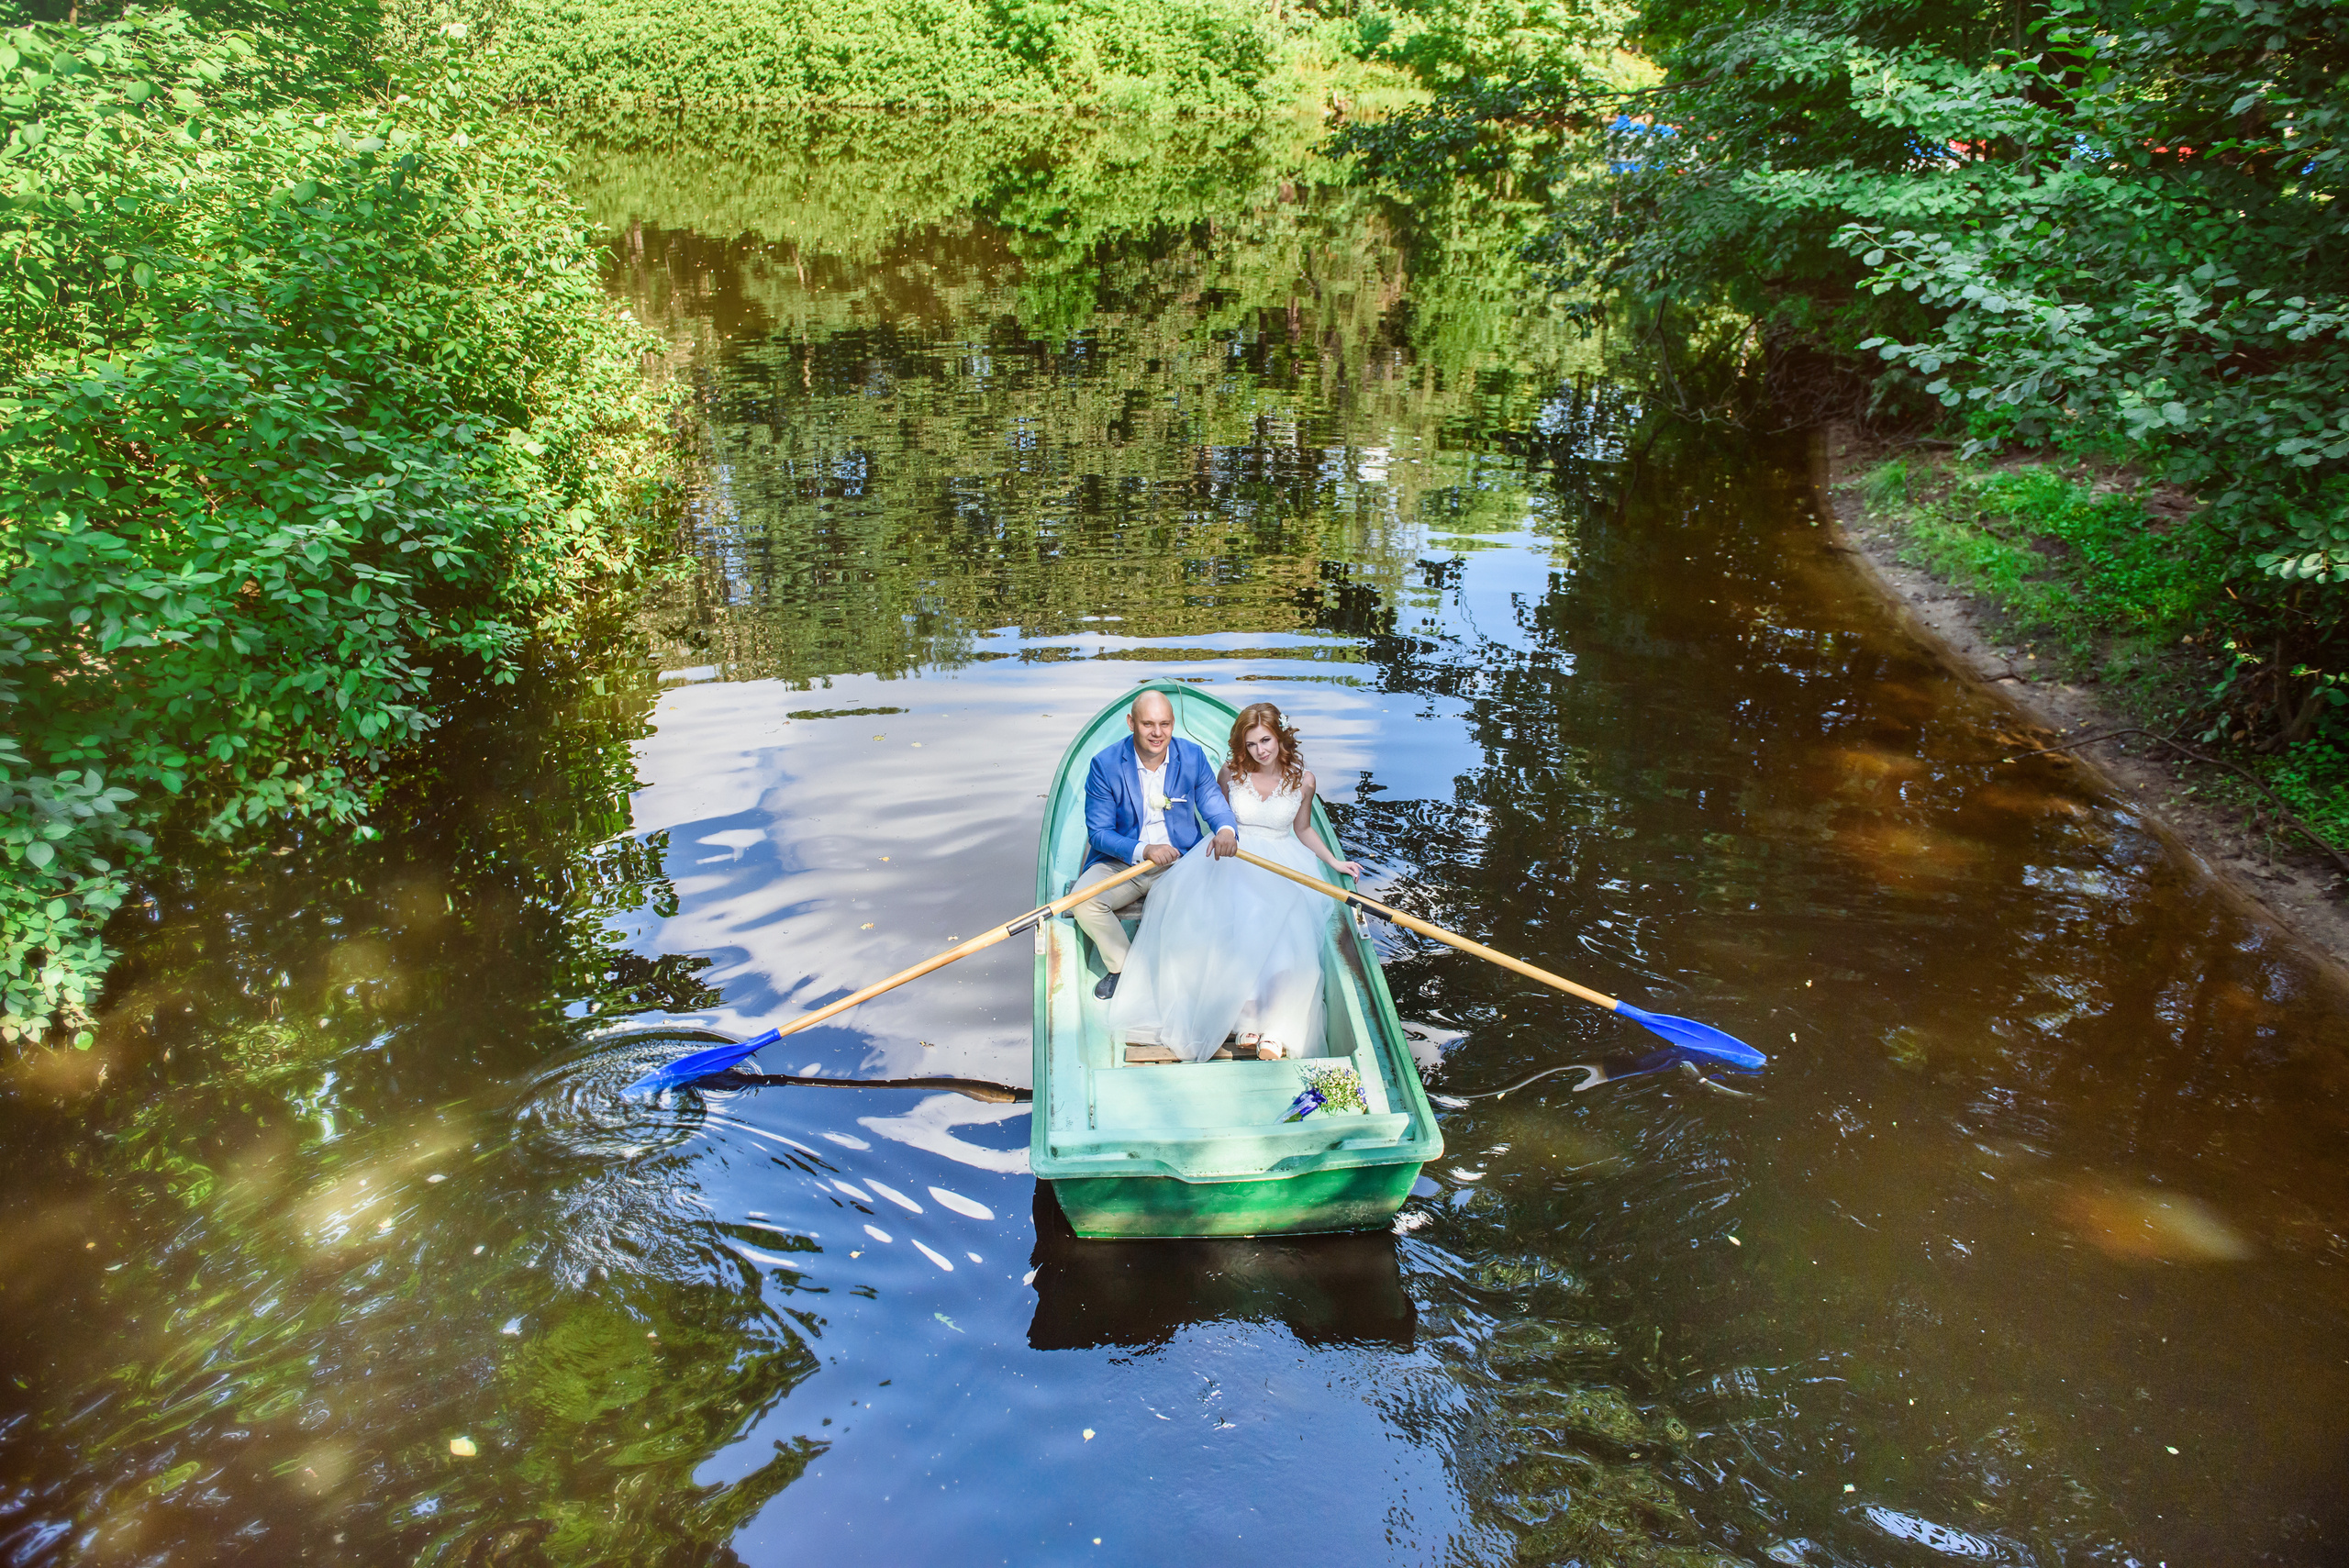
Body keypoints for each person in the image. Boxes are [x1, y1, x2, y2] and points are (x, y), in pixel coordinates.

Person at [1108, 702, 1362, 1062]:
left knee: (1286, 927)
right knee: (1234, 919)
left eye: (1266, 741)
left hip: (1282, 861)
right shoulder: (1231, 772)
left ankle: (1276, 1026)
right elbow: (1217, 814)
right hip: (1233, 857)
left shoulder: (1304, 781)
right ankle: (1247, 1019)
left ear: (1280, 738)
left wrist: (1333, 860)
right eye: (1252, 744)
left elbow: (1302, 829)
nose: (1260, 751)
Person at [1073, 690, 1241, 1001]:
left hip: (1178, 864)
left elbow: (1212, 801)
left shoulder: (1191, 756)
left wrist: (1226, 830)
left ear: (1173, 724)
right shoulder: (1105, 765)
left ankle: (1191, 976)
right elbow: (1099, 833)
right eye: (1148, 724)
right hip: (1121, 861)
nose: (1157, 733)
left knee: (1211, 903)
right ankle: (1123, 966)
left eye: (1165, 724)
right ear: (1130, 723)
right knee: (1083, 902)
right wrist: (1144, 850)